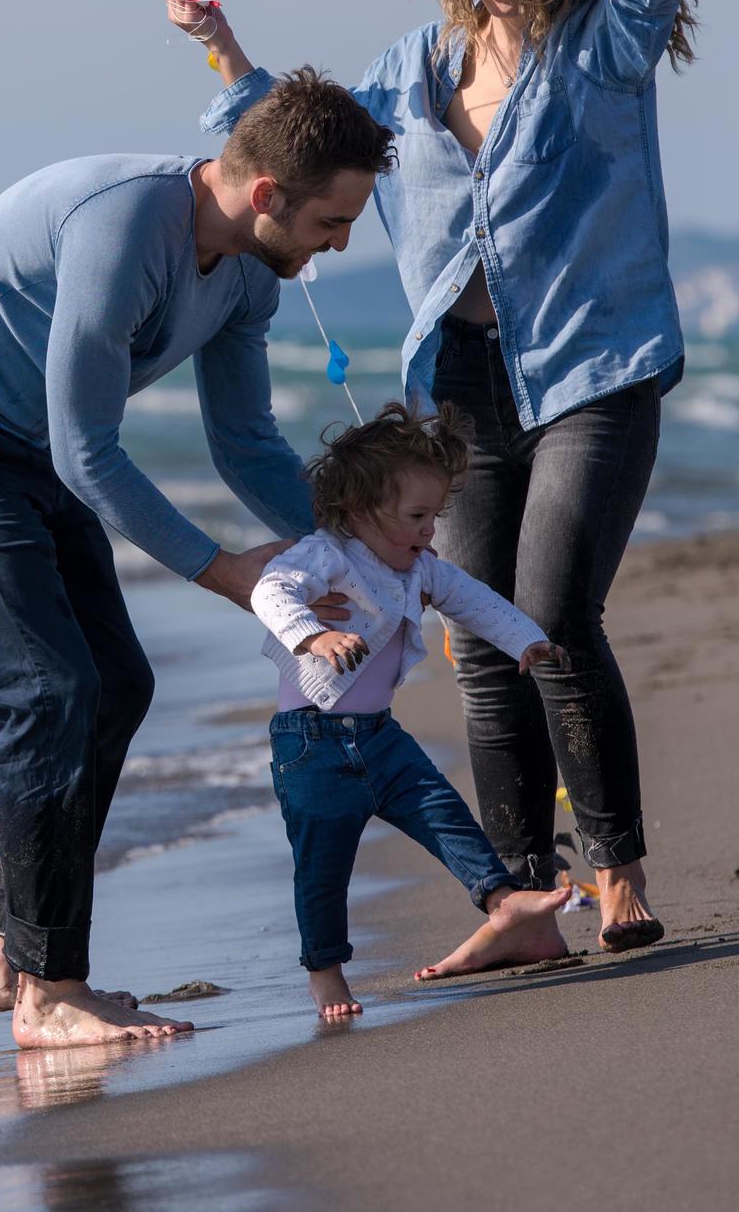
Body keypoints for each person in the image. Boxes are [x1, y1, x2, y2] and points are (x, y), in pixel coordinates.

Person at [162, 0, 694, 963]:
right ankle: (522, 898)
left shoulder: (599, 49)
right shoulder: (414, 68)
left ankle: (613, 870)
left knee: (551, 609)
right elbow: (315, 138)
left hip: (593, 368)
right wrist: (222, 45)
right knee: (470, 638)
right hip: (457, 383)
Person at [0, 71, 394, 1048]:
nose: (341, 243)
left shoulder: (251, 273)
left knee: (117, 683)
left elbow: (247, 444)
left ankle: (7, 944)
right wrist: (228, 571)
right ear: (267, 194)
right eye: (333, 220)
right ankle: (50, 992)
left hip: (24, 443)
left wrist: (359, 548)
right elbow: (87, 450)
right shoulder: (125, 227)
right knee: (47, 688)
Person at [249, 404, 574, 1019]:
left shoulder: (418, 564)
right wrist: (311, 635)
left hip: (379, 737)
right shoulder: (329, 555)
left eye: (436, 515)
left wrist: (524, 638)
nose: (430, 530)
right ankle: (327, 976)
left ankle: (503, 901)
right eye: (416, 516)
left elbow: (472, 597)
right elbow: (272, 586)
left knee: (445, 815)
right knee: (323, 865)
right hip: (311, 743)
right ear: (358, 511)